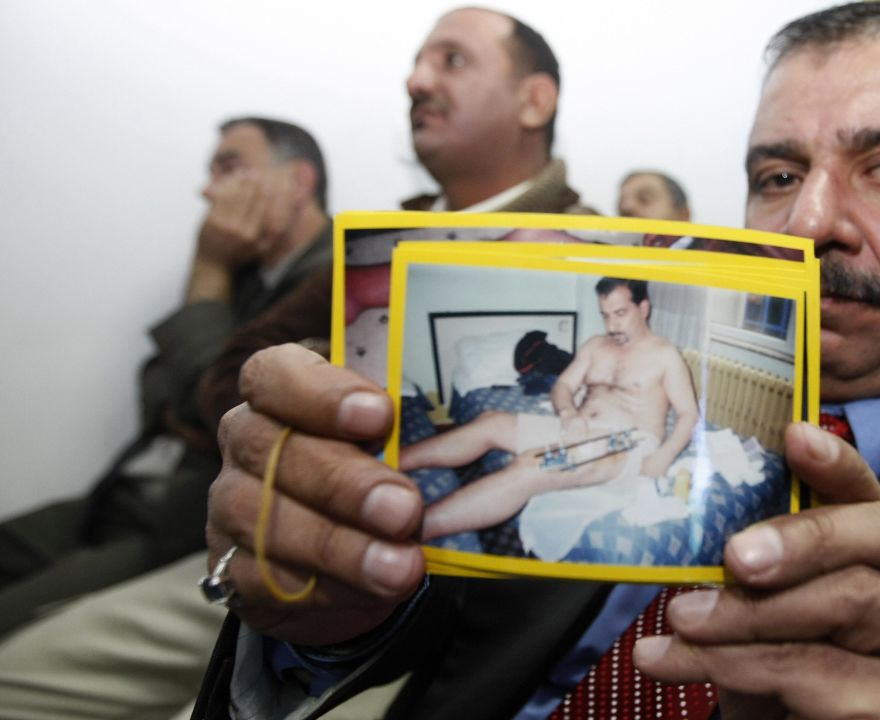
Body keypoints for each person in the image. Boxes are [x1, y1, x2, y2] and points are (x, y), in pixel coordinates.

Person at [194, 3, 880, 719]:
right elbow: (404, 635)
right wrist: (322, 621)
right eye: (774, 174)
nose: (809, 223)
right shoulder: (623, 350)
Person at [0, 9, 591, 720]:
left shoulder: (598, 253)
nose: (416, 79)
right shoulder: (370, 241)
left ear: (535, 100)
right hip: (280, 548)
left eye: (452, 60)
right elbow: (228, 377)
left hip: (467, 607)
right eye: (417, 62)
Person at [0, 116, 331, 638]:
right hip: (120, 493)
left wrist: (207, 265)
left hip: (178, 525)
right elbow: (160, 388)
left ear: (299, 182)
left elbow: (217, 401)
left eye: (230, 166)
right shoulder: (246, 276)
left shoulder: (331, 274)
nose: (208, 188)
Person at [402, 278, 698, 543]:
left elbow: (688, 414)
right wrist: (568, 414)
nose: (611, 326)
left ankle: (412, 530)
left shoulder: (665, 355)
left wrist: (665, 455)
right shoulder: (596, 345)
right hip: (578, 429)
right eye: (605, 316)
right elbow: (563, 386)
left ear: (643, 308)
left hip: (625, 441)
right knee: (489, 422)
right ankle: (391, 461)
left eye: (621, 314)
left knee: (534, 464)